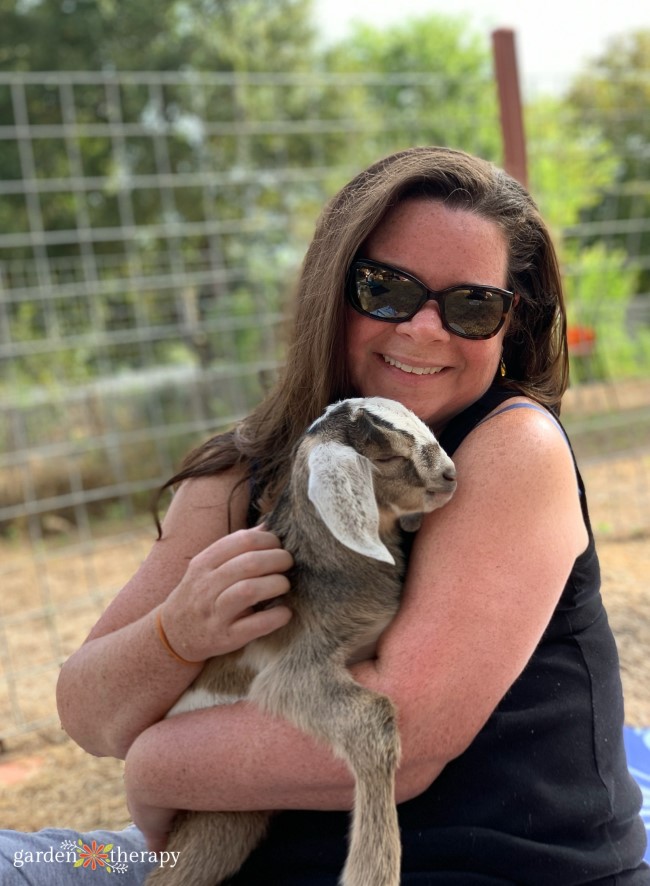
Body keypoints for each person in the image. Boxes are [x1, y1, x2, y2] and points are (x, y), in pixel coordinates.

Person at [2, 145, 647, 884]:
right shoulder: (245, 471)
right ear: (330, 291)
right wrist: (176, 634)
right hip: (178, 857)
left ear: (511, 321)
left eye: (472, 305)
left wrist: (155, 764)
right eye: (387, 289)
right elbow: (88, 713)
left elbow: (404, 733)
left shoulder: (512, 448)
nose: (425, 329)